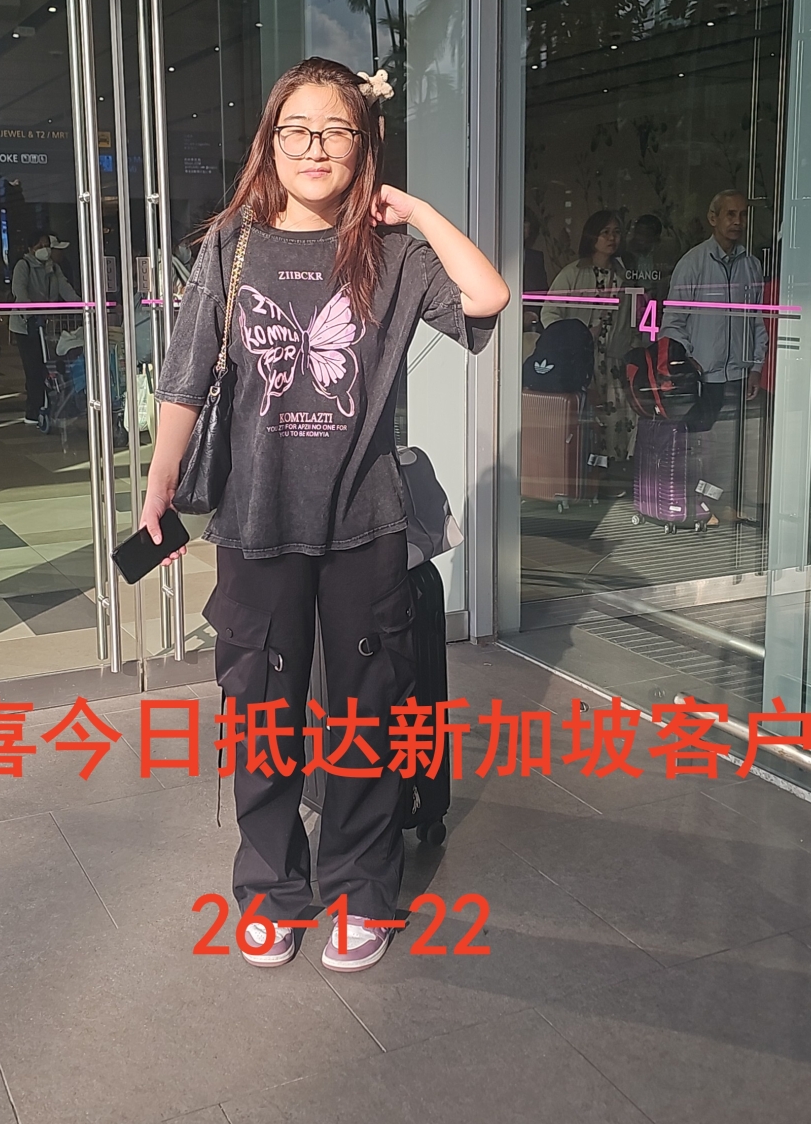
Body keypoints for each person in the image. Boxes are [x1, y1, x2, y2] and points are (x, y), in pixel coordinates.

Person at [140, 57, 508, 973]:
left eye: (335, 130)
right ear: (270, 141)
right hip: (255, 521)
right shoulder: (231, 245)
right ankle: (271, 890)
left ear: (362, 144)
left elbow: (488, 297)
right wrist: (159, 484)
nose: (314, 148)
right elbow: (185, 376)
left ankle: (361, 891)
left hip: (365, 525)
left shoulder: (391, 255)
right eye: (296, 129)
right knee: (261, 715)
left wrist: (416, 210)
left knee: (366, 718)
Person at [660, 190, 766, 522]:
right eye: (730, 214)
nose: (738, 221)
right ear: (713, 218)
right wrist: (686, 362)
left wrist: (756, 365)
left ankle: (724, 504)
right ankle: (698, 506)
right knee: (701, 447)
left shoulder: (751, 265)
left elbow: (758, 320)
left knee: (732, 448)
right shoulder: (693, 263)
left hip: (739, 374)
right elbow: (672, 322)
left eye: (743, 215)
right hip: (704, 375)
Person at [542, 210, 634, 461]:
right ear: (592, 236)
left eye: (616, 232)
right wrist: (572, 339)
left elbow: (632, 321)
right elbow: (549, 313)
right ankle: (589, 473)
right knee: (585, 420)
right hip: (581, 361)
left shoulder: (624, 276)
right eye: (605, 232)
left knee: (615, 420)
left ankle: (612, 470)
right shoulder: (573, 273)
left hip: (614, 361)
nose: (612, 238)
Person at [10, 233, 79, 425]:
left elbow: (65, 289)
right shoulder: (23, 266)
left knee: (49, 364)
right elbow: (20, 292)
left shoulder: (53, 268)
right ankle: (33, 409)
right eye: (40, 246)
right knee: (33, 367)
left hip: (45, 324)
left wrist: (81, 305)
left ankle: (50, 403)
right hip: (26, 325)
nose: (45, 249)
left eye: (47, 245)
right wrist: (30, 312)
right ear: (31, 248)